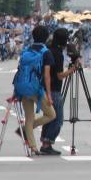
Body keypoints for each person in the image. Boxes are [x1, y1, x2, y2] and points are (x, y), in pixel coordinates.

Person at [13, 25, 56, 155]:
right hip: (36, 89)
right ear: (47, 37)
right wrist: (49, 95)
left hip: (23, 87)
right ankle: (25, 130)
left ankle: (33, 146)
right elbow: (47, 76)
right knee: (51, 114)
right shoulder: (46, 52)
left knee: (29, 117)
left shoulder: (27, 50)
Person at [39, 28, 79, 156]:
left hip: (44, 88)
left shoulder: (48, 49)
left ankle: (45, 142)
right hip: (54, 89)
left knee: (50, 116)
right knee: (57, 119)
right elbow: (60, 75)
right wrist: (72, 69)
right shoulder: (58, 54)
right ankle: (47, 143)